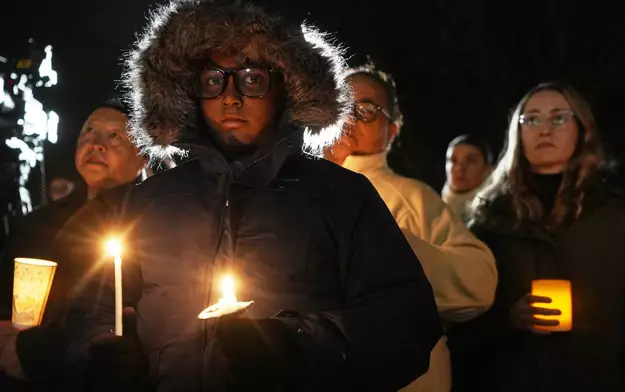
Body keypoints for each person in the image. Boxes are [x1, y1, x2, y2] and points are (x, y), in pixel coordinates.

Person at [61, 1, 442, 391]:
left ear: (285, 86)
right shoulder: (146, 202)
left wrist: (296, 346)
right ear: (187, 91)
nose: (231, 97)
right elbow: (90, 312)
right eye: (212, 79)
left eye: (251, 78)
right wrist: (96, 352)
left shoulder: (339, 195)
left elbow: (405, 318)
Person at [450, 82, 625, 392]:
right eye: (532, 119)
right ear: (518, 134)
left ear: (583, 129)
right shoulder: (489, 220)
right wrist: (507, 319)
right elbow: (462, 318)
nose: (544, 129)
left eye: (558, 118)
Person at [324, 63, 497, 392]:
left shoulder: (413, 196)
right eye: (341, 103)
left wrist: (392, 249)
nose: (350, 117)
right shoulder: (290, 186)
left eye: (366, 109)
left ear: (391, 130)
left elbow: (479, 283)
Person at [0, 97, 147, 388]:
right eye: (88, 132)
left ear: (144, 154)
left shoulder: (156, 224)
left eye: (115, 136)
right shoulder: (39, 223)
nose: (96, 144)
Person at [441, 135, 493, 220]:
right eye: (453, 160)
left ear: (488, 170)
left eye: (470, 161)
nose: (460, 168)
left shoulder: (495, 218)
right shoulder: (428, 212)